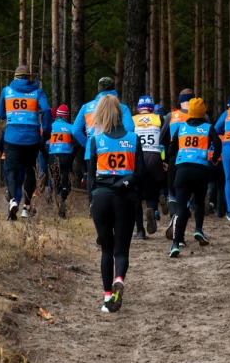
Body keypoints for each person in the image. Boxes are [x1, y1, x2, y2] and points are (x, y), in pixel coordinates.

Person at [88, 95, 144, 313]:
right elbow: (140, 173)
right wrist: (125, 182)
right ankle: (119, 278)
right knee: (121, 251)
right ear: (120, 113)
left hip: (101, 197)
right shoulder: (133, 139)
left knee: (106, 250)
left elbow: (91, 176)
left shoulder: (96, 140)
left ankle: (107, 298)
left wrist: (91, 202)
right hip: (125, 198)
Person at [167, 98, 222, 257]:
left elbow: (171, 151)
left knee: (180, 207)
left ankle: (176, 243)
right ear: (203, 113)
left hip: (182, 170)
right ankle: (198, 230)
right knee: (198, 202)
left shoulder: (181, 128)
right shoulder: (208, 128)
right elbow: (218, 143)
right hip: (200, 170)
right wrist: (214, 158)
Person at [0, 65, 52, 220]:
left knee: (12, 171)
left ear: (15, 77)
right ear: (29, 77)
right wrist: (46, 133)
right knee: (29, 170)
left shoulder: (6, 91)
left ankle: (13, 200)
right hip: (32, 138)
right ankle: (26, 207)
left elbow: (0, 114)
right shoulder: (38, 92)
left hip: (11, 137)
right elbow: (47, 111)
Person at [72, 77, 135, 210]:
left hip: (93, 149)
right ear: (113, 89)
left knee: (92, 177)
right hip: (116, 149)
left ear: (99, 89)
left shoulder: (86, 107)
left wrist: (87, 143)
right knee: (116, 176)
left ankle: (93, 205)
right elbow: (130, 128)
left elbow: (75, 130)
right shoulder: (121, 107)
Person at [132, 96, 169, 239]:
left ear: (138, 108)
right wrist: (164, 160)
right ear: (152, 108)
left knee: (136, 195)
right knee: (152, 191)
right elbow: (164, 143)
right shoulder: (160, 119)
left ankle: (140, 231)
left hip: (138, 157)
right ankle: (152, 209)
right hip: (155, 157)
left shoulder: (133, 120)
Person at [48, 104, 81, 219]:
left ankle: (58, 199)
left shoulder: (50, 127)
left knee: (55, 180)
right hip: (66, 156)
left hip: (53, 156)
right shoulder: (71, 127)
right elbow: (78, 143)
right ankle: (63, 197)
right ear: (66, 116)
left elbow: (45, 144)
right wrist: (72, 155)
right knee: (65, 179)